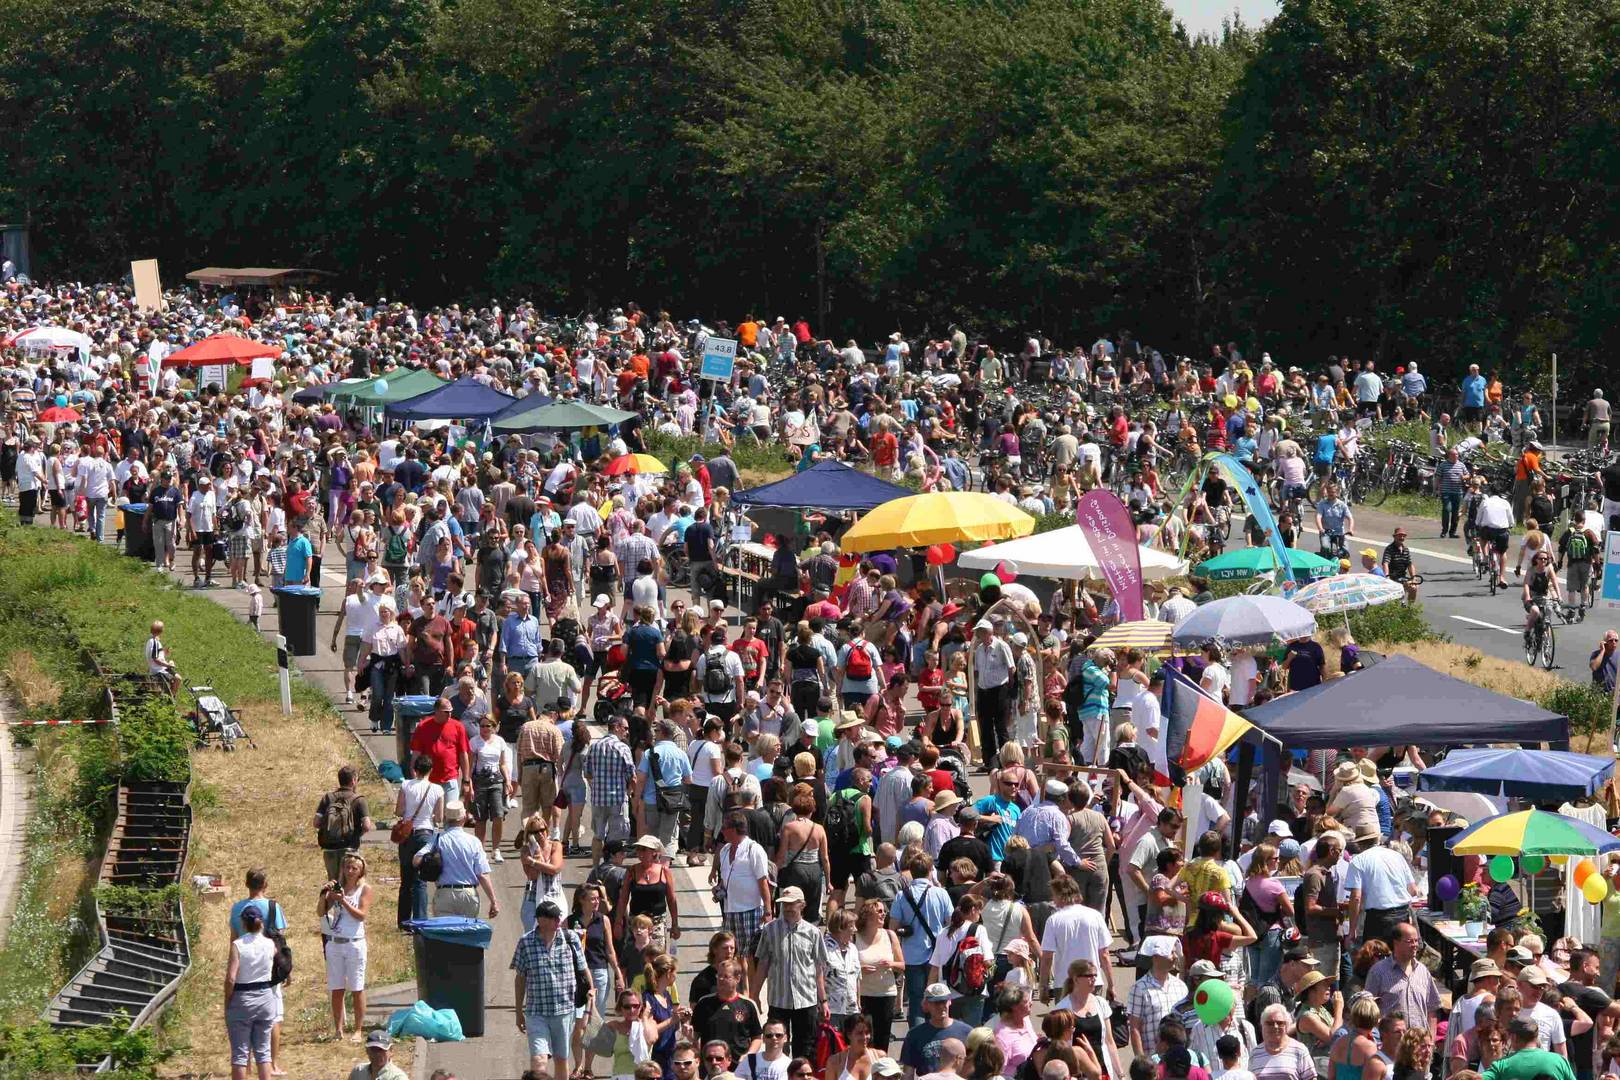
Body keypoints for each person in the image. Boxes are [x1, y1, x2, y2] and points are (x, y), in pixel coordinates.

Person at [513, 899, 595, 1080]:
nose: (558, 921)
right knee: (539, 1060)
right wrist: (519, 1011)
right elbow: (520, 979)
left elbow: (583, 968)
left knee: (560, 1059)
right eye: (552, 918)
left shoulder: (570, 938)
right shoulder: (526, 942)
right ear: (541, 920)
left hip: (564, 1011)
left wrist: (592, 992)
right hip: (536, 1012)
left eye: (558, 917)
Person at [750, 886, 830, 1059]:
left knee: (806, 1048)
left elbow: (818, 969)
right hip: (779, 1000)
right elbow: (763, 964)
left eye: (791, 904)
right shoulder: (770, 930)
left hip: (806, 1000)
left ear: (802, 905)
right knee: (777, 1046)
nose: (786, 908)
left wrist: (823, 1000)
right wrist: (754, 994)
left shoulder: (813, 933)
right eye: (784, 904)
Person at [318, 851, 374, 1042]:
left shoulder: (364, 889)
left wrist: (343, 901)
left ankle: (358, 1029)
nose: (350, 871)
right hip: (335, 943)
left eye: (354, 868)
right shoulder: (337, 887)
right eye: (347, 867)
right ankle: (338, 1029)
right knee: (337, 987)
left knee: (357, 987)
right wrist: (325, 895)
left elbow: (361, 915)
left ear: (360, 871)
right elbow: (320, 912)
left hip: (354, 943)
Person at [415, 800, 500, 918]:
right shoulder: (474, 842)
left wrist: (431, 861)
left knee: (444, 934)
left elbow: (416, 860)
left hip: (444, 894)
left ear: (446, 818)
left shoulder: (438, 839)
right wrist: (493, 901)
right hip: (468, 895)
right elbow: (482, 874)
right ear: (464, 818)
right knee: (466, 934)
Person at [225, 904, 279, 1080]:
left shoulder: (238, 945)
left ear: (243, 923)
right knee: (264, 1052)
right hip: (265, 997)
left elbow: (231, 978)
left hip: (243, 997)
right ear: (260, 923)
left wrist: (228, 1000)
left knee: (240, 1054)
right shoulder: (270, 944)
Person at [394, 753, 444, 929]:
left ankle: (403, 921)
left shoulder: (406, 785)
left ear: (415, 770)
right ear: (431, 770)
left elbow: (399, 811)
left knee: (406, 880)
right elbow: (439, 817)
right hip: (426, 834)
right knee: (420, 881)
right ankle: (421, 920)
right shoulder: (437, 790)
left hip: (408, 836)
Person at [899, 984, 974, 1080]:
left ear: (950, 1001)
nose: (941, 1006)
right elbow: (907, 1074)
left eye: (944, 1001)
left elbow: (974, 1068)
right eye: (936, 1002)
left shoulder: (967, 1032)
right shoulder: (914, 1035)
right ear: (926, 1004)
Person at [314, 765, 374, 882]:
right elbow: (367, 825)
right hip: (349, 848)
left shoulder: (328, 798)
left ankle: (333, 900)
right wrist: (357, 834)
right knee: (350, 884)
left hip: (329, 849)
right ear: (353, 780)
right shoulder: (359, 800)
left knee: (333, 883)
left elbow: (316, 823)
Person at [1483, 1017, 1577, 1080]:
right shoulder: (1559, 1061)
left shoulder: (1502, 1065)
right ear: (1536, 1036)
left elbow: (1477, 1078)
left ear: (1514, 1037)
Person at [1248, 1004, 1316, 1080]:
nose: (1275, 1026)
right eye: (1269, 1023)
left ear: (1287, 1025)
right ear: (1262, 1026)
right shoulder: (1255, 1053)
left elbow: (1311, 1078)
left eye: (1280, 1023)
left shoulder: (1299, 1050)